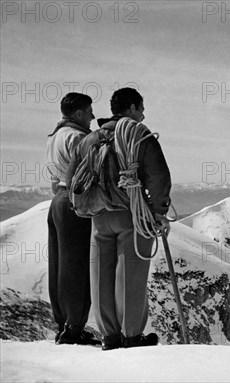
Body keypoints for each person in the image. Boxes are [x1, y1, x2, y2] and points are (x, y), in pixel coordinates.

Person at [67, 88, 172, 350]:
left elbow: (72, 178)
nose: (144, 114)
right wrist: (159, 211)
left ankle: (110, 335)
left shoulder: (90, 139)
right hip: (132, 214)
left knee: (101, 272)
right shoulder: (139, 136)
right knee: (131, 274)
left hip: (100, 216)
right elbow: (158, 176)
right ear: (133, 108)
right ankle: (131, 334)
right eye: (142, 108)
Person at [46, 93, 99, 345]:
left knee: (58, 263)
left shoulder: (55, 136)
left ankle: (63, 322)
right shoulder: (78, 137)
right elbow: (89, 172)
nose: (92, 116)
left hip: (57, 199)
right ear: (78, 114)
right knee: (76, 265)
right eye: (88, 111)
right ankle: (74, 327)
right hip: (74, 201)